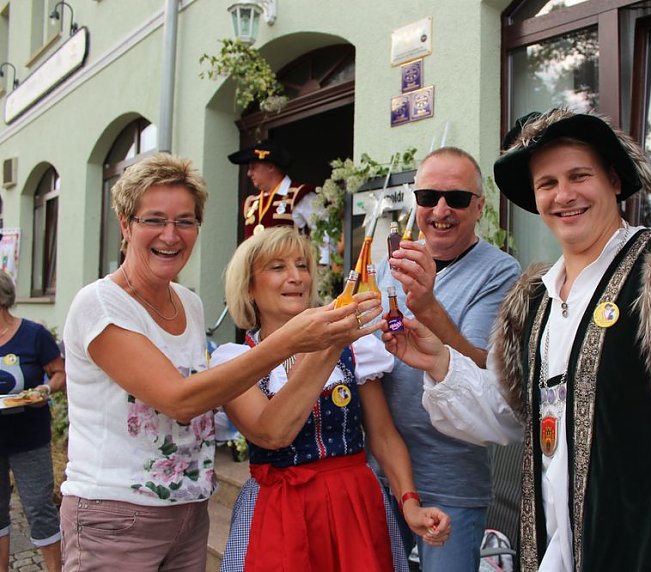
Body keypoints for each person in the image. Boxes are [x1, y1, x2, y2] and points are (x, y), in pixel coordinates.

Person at [384, 109, 651, 571]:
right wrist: (438, 360)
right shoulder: (537, 303)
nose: (564, 195)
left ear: (614, 180)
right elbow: (512, 421)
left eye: (579, 175)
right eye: (547, 183)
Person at [60, 153, 380, 570]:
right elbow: (179, 400)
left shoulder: (188, 304)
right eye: (154, 220)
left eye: (185, 221)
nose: (171, 235)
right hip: (117, 514)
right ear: (125, 224)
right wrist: (289, 341)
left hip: (189, 512)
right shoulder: (100, 304)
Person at [212, 227, 450, 572]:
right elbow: (271, 434)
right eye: (278, 268)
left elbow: (382, 435)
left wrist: (410, 503)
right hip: (280, 508)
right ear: (249, 286)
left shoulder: (354, 347)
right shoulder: (234, 361)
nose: (296, 278)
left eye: (302, 266)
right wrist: (327, 344)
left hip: (355, 504)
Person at [375, 147, 521, 571]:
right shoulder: (392, 264)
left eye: (456, 198)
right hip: (383, 468)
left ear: (479, 206)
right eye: (428, 197)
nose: (441, 209)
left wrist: (427, 305)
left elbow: (482, 368)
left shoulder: (500, 272)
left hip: (449, 477)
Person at [0, 271, 64, 572]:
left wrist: (45, 388)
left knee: (39, 508)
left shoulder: (33, 334)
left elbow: (59, 373)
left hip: (29, 438)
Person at [228, 140, 320, 241]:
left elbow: (325, 235)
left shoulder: (299, 195)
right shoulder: (251, 203)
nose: (249, 173)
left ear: (270, 167)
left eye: (253, 167)